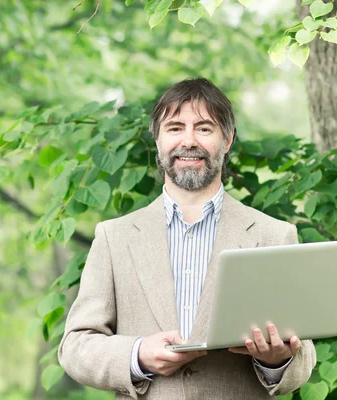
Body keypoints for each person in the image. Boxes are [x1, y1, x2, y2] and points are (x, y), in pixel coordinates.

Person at [58, 78, 316, 399]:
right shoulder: (114, 237)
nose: (189, 141)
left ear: (228, 139)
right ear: (158, 139)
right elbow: (76, 346)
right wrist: (138, 354)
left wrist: (277, 359)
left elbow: (303, 355)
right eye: (175, 128)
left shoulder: (275, 234)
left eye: (205, 129)